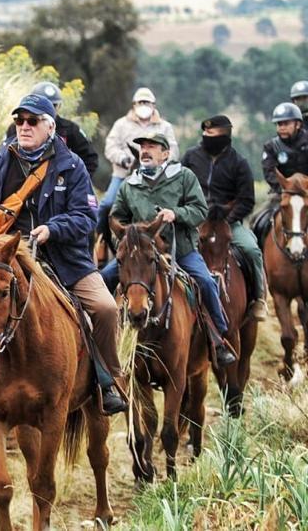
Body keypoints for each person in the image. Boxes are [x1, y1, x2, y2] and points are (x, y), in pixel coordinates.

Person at [0, 93, 128, 414]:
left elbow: (86, 217)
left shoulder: (72, 166)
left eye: (32, 121)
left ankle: (106, 379)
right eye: (19, 120)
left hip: (61, 260)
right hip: (2, 260)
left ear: (50, 126)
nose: (24, 126)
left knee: (105, 308)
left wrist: (52, 229)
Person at [100, 133, 237, 367]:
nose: (145, 150)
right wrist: (127, 240)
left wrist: (177, 214)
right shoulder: (129, 184)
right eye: (142, 147)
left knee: (205, 281)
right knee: (104, 278)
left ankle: (218, 338)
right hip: (140, 256)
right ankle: (101, 342)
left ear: (165, 153)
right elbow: (117, 217)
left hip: (180, 250)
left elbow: (200, 210)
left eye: (151, 147)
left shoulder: (184, 177)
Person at [180, 115, 267, 321]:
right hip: (195, 221)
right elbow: (178, 187)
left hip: (228, 222)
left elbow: (247, 200)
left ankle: (259, 298)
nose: (206, 136)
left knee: (252, 250)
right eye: (205, 132)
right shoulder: (191, 157)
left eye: (212, 133)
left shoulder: (239, 163)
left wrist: (227, 220)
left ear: (225, 135)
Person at [98, 87, 179, 236]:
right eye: (140, 102)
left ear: (153, 105)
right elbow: (110, 146)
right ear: (134, 105)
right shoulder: (121, 124)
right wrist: (122, 158)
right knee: (107, 204)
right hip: (124, 175)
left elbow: (173, 150)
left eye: (147, 103)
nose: (143, 106)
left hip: (156, 177)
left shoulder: (164, 127)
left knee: (170, 207)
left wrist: (160, 162)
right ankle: (101, 238)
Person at [4, 81, 99, 177]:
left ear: (59, 106)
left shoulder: (70, 129)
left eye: (54, 105)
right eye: (43, 104)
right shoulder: (17, 127)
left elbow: (90, 159)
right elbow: (4, 156)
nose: (25, 127)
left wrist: (72, 180)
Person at [251, 103, 308, 243]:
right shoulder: (271, 146)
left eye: (286, 123)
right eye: (279, 124)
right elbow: (269, 171)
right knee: (257, 221)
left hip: (307, 193)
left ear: (298, 124)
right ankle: (258, 255)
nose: (281, 127)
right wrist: (283, 189)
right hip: (281, 193)